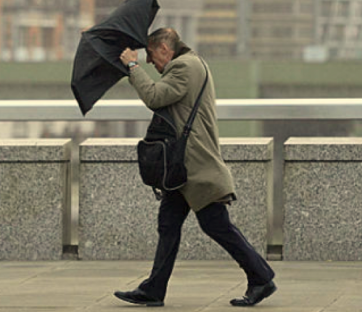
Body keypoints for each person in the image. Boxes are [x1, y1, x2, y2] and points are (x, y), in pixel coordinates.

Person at [114, 28, 276, 308]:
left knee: (217, 225)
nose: (151, 63)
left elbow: (154, 96)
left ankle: (261, 277)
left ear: (165, 48)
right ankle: (153, 289)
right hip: (182, 170)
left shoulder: (183, 67)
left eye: (152, 56)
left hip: (196, 168)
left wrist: (133, 66)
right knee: (168, 224)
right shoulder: (190, 64)